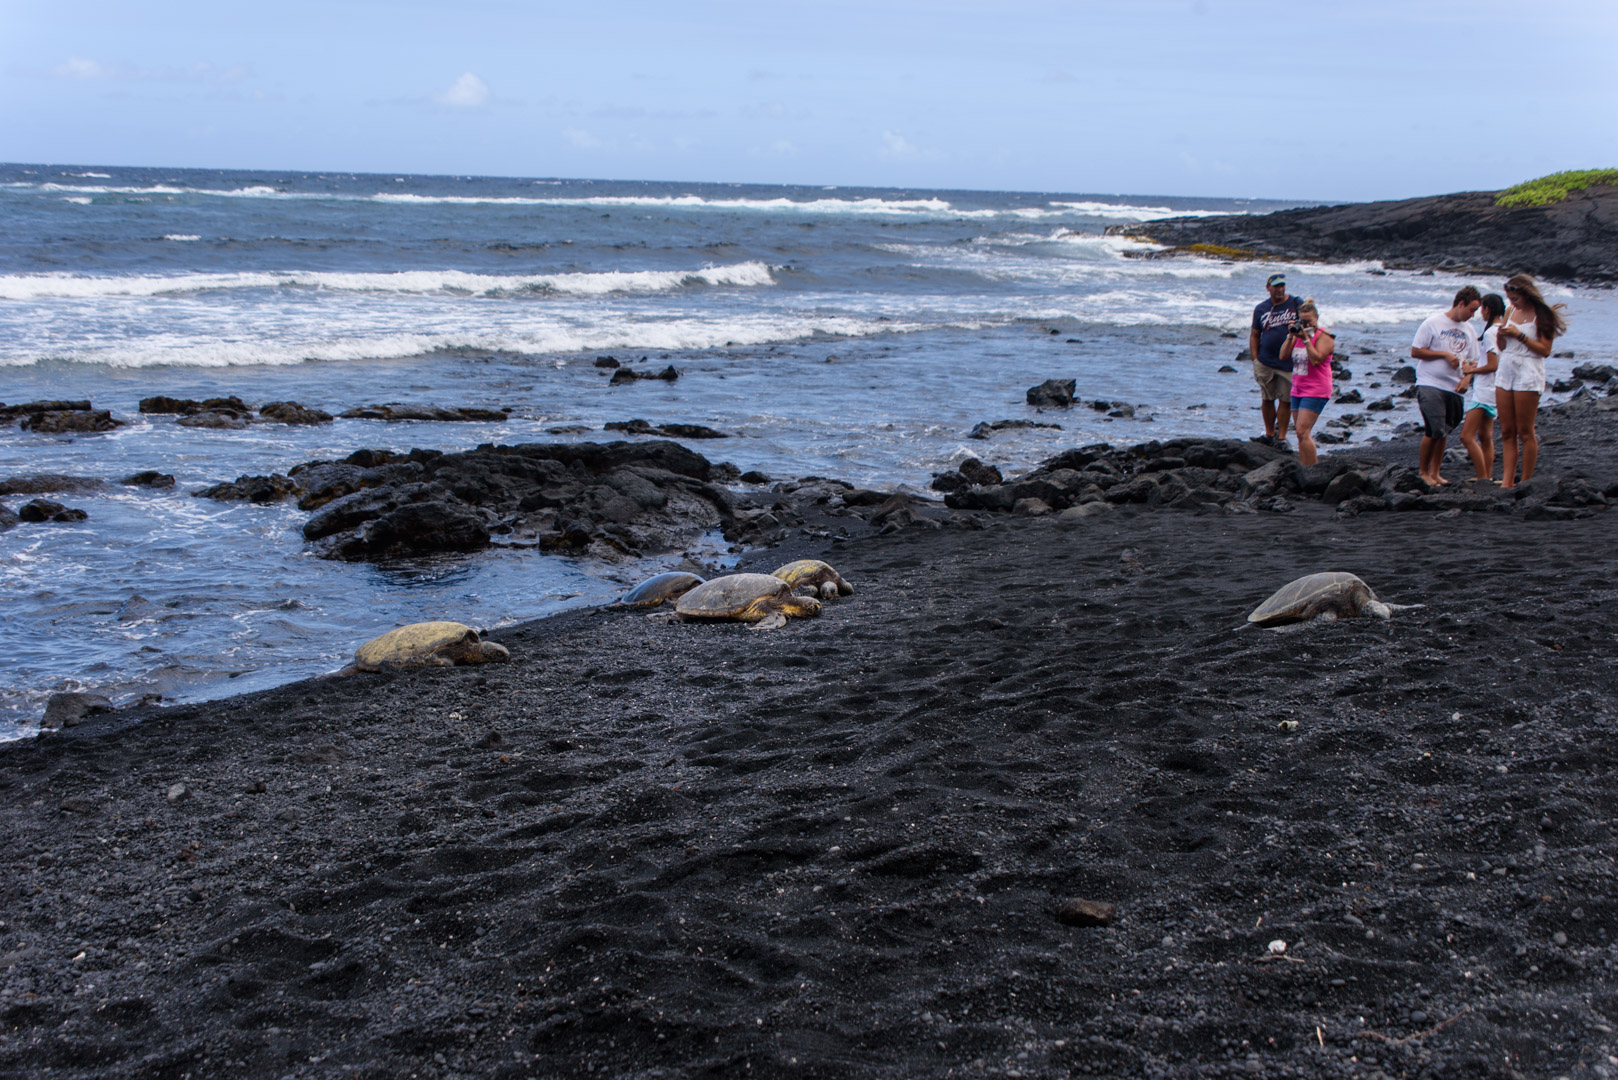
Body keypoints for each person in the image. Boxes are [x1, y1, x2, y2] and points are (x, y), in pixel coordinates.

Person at [1495, 273, 1567, 489]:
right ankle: (1507, 481)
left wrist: (1520, 336)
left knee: (1525, 431)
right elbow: (1502, 347)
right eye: (1509, 299)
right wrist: (1501, 335)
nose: (1512, 303)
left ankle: (1525, 481)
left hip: (1529, 369)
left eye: (1515, 299)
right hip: (1506, 368)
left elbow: (1545, 350)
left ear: (1526, 294)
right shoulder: (1509, 312)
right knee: (1506, 430)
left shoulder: (1542, 315)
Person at [1409, 286, 1481, 487]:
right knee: (1434, 429)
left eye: (1475, 311)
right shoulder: (1433, 323)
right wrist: (1444, 354)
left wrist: (1467, 380)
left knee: (1445, 430)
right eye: (1471, 310)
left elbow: (1472, 361)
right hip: (1430, 382)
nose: (1472, 315)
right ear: (1460, 304)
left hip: (1454, 387)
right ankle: (1423, 472)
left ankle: (1436, 473)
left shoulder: (1469, 330)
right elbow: (1416, 351)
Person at [1456, 293, 1505, 481]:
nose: (1480, 313)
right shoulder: (1503, 329)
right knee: (1485, 435)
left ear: (1487, 309)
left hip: (1485, 391)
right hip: (1494, 389)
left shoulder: (1492, 332)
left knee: (1466, 436)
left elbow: (1493, 365)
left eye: (1481, 309)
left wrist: (1471, 371)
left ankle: (1482, 476)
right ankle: (1487, 476)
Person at [1249, 272, 1301, 448]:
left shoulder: (1295, 303)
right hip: (1265, 360)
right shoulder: (1261, 308)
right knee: (1267, 398)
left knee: (1286, 400)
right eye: (1276, 286)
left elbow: (1310, 323)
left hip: (1288, 362)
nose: (1280, 289)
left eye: (1282, 285)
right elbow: (1255, 334)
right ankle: (1269, 433)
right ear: (1268, 288)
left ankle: (1282, 437)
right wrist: (1255, 358)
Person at [1281, 299, 1334, 466]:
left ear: (1316, 318)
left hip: (1316, 389)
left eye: (1308, 321)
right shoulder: (1296, 335)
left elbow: (1317, 359)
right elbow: (1283, 356)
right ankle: (1306, 466)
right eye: (1302, 321)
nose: (1305, 324)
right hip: (1298, 388)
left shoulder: (1324, 336)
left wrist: (1305, 339)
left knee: (1302, 431)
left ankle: (1312, 470)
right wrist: (1291, 336)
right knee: (1300, 433)